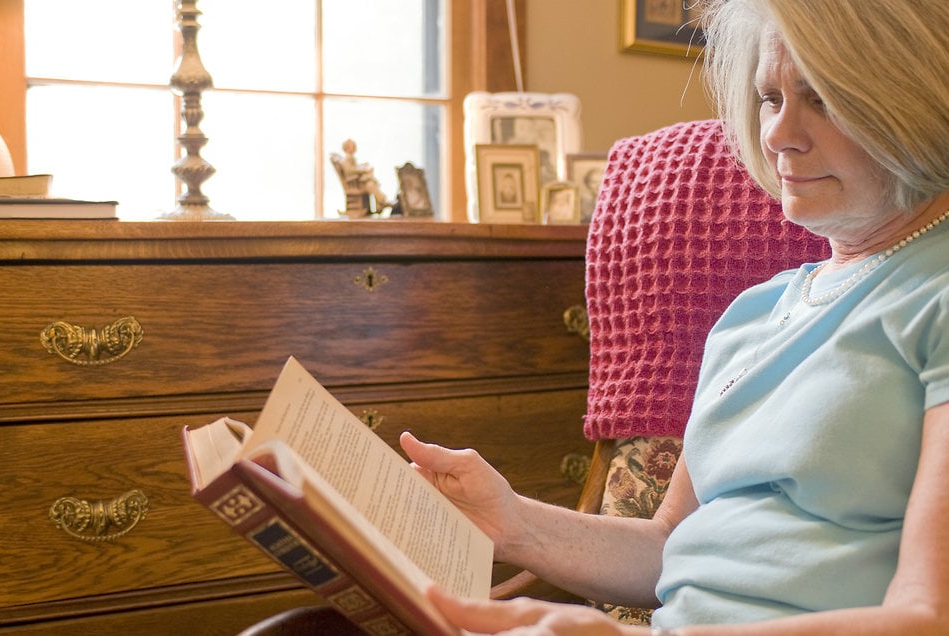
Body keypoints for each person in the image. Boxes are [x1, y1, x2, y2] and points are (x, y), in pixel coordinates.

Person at [399, 0, 949, 633]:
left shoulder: (934, 296)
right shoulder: (754, 312)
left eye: (822, 99)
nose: (776, 134)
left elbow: (926, 618)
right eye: (769, 98)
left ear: (918, 102)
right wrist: (513, 523)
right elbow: (670, 547)